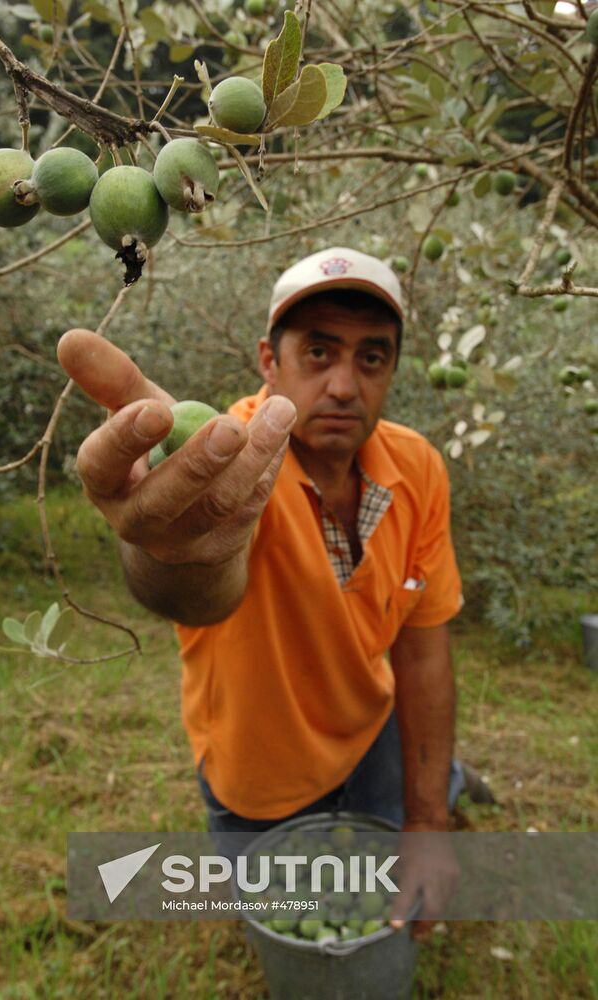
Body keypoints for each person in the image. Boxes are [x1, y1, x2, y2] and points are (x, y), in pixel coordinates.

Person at [57, 246, 483, 937]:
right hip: (260, 776)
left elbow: (424, 650)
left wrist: (428, 820)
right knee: (299, 919)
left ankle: (451, 788)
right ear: (268, 360)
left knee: (381, 898)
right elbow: (196, 585)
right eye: (319, 352)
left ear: (393, 371)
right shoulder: (231, 469)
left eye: (371, 358)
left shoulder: (419, 468)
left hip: (373, 737)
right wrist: (170, 550)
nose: (344, 385)